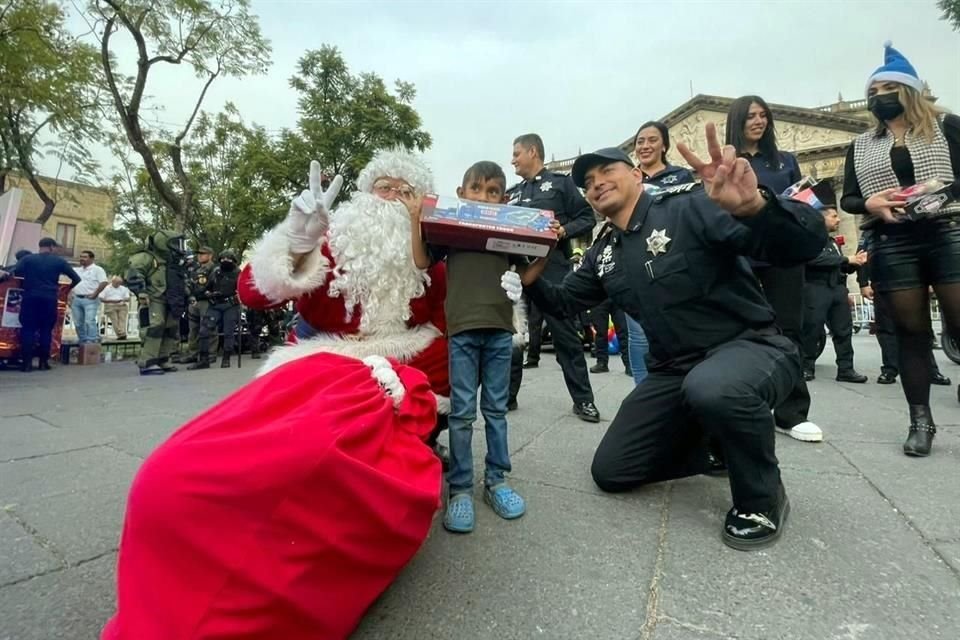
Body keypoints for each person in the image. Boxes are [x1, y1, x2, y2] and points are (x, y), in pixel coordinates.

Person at [504, 124, 827, 550]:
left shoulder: (690, 206)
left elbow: (802, 244)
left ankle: (762, 498)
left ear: (637, 174)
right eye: (588, 181)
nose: (596, 183)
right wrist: (530, 280)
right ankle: (718, 446)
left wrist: (755, 207)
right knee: (613, 470)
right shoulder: (604, 253)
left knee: (713, 388)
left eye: (606, 171)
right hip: (675, 371)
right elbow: (565, 302)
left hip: (749, 347)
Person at [237, 150, 451, 462]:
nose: (393, 197)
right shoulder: (328, 238)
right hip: (323, 354)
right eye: (384, 187)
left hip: (399, 358)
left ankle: (418, 440)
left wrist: (500, 300)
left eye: (406, 192)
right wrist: (295, 245)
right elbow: (252, 295)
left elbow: (452, 320)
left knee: (454, 356)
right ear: (366, 192)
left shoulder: (431, 261)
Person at [840, 43, 960, 457]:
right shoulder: (860, 144)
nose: (879, 96)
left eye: (888, 88)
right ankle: (920, 420)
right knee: (911, 334)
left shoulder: (947, 127)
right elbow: (849, 199)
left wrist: (938, 193)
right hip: (893, 241)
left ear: (909, 90)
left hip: (947, 232)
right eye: (873, 91)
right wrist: (870, 203)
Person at [410, 160, 526, 533]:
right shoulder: (452, 231)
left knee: (496, 410)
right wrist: (414, 219)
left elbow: (531, 265)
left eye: (493, 192)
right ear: (461, 194)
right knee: (461, 413)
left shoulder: (508, 231)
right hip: (461, 332)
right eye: (476, 189)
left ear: (504, 200)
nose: (484, 198)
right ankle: (460, 488)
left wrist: (547, 249)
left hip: (499, 331)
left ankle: (497, 481)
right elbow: (422, 260)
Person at [726, 95, 822, 443]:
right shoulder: (726, 162)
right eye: (750, 116)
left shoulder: (785, 161)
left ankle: (792, 412)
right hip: (741, 254)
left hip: (783, 255)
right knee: (740, 333)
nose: (758, 121)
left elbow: (805, 208)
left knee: (789, 330)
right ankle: (742, 404)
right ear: (737, 121)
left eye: (763, 115)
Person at [507, 133, 600, 422]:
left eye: (516, 153)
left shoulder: (561, 184)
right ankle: (507, 397)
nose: (512, 160)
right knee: (513, 334)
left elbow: (587, 217)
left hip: (552, 269)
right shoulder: (513, 193)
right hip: (517, 269)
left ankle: (583, 400)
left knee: (565, 335)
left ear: (533, 152)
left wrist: (563, 231)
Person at [626, 121, 697, 385]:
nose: (645, 146)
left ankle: (683, 386)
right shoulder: (627, 178)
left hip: (673, 262)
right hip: (635, 261)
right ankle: (643, 390)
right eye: (640, 141)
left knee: (680, 327)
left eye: (652, 140)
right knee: (638, 335)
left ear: (664, 145)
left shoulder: (680, 176)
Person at [857, 230, 951, 385]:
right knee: (886, 329)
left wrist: (931, 280)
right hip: (883, 284)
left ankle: (930, 370)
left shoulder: (915, 223)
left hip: (913, 283)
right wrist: (863, 283)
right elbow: (862, 257)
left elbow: (928, 254)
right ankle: (890, 369)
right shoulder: (872, 230)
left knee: (921, 328)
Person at [800, 198, 869, 382]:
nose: (838, 220)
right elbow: (814, 260)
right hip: (816, 288)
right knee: (812, 329)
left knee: (843, 330)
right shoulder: (809, 239)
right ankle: (806, 367)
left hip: (837, 289)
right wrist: (847, 259)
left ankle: (846, 369)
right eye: (833, 216)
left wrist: (854, 263)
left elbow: (840, 266)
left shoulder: (833, 242)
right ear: (821, 219)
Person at [5, 238, 80, 371]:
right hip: (49, 299)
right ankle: (43, 363)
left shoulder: (28, 259)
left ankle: (26, 364)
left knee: (28, 329)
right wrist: (65, 290)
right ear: (51, 247)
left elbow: (14, 272)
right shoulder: (59, 261)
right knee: (46, 330)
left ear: (40, 246)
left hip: (30, 298)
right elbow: (76, 278)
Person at [127, 230, 189, 375]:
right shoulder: (146, 257)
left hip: (171, 299)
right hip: (153, 298)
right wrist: (141, 292)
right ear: (164, 243)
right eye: (176, 243)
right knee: (154, 327)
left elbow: (182, 279)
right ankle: (147, 362)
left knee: (170, 328)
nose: (179, 247)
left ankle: (163, 359)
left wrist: (187, 294)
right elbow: (134, 274)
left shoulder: (174, 261)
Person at [188, 249, 241, 370]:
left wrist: (239, 297)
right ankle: (204, 360)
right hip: (215, 305)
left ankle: (226, 358)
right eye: (223, 259)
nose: (225, 261)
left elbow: (243, 289)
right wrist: (207, 293)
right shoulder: (216, 272)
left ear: (233, 260)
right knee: (204, 331)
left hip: (231, 305)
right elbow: (207, 287)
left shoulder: (238, 273)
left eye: (228, 259)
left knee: (228, 332)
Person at [177, 246, 216, 364]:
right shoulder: (195, 269)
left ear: (210, 255)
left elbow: (214, 285)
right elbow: (189, 284)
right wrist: (190, 295)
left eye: (203, 253)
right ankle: (193, 353)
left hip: (207, 301)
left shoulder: (214, 269)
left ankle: (210, 354)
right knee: (193, 329)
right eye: (198, 253)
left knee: (209, 328)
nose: (199, 256)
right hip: (194, 301)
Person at [70, 250, 108, 344]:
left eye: (85, 257)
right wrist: (69, 294)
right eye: (81, 257)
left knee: (89, 321)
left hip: (90, 299)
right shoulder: (77, 270)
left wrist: (95, 293)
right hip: (76, 298)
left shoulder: (97, 269)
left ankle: (92, 340)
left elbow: (104, 282)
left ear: (91, 259)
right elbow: (70, 282)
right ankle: (82, 340)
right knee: (78, 322)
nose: (82, 259)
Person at [589, 299, 630, 375]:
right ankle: (602, 362)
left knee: (623, 331)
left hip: (617, 296)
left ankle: (628, 363)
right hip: (598, 297)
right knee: (600, 331)